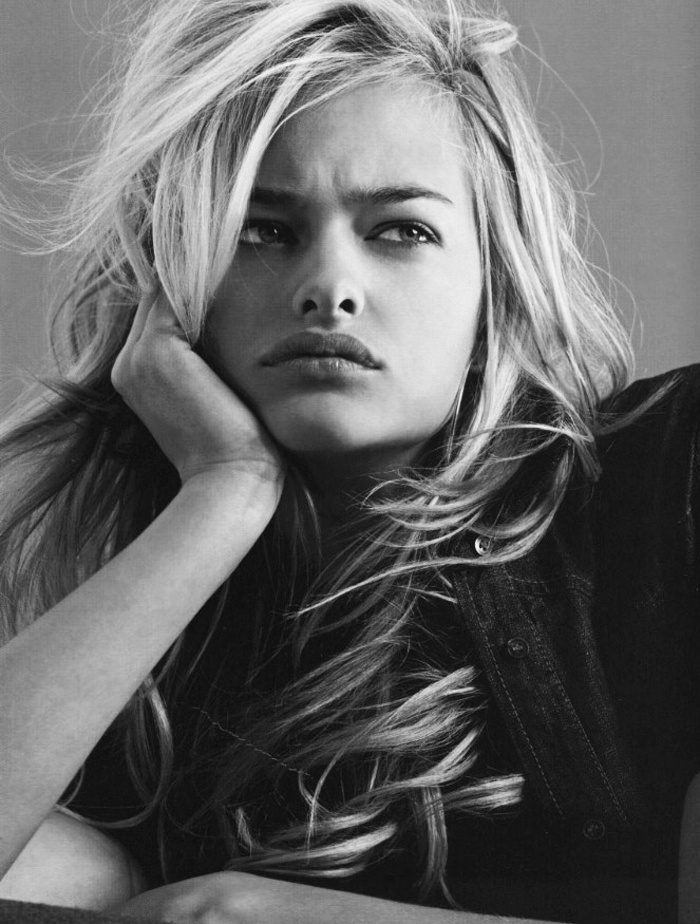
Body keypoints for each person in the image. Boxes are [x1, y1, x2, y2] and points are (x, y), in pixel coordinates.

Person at [0, 0, 697, 922]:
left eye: (400, 230)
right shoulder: (138, 590)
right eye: (262, 229)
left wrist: (256, 914)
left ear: (498, 280)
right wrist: (224, 493)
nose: (329, 287)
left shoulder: (670, 473)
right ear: (173, 287)